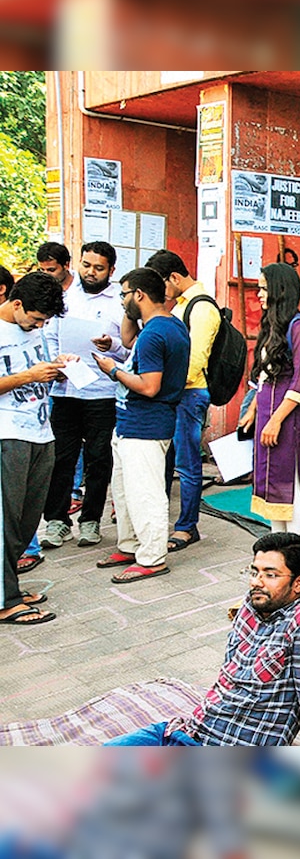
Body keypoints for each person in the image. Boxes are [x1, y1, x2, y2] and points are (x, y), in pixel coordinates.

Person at [106, 532, 300, 745]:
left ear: (298, 582)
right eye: (254, 572)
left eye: (270, 575)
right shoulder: (252, 604)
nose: (256, 581)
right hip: (185, 731)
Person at [93, 268, 190, 584]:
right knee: (124, 492)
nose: (121, 302)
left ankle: (151, 557)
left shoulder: (154, 334)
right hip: (130, 424)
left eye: (124, 295)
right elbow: (127, 339)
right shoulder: (168, 326)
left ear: (139, 295)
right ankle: (130, 545)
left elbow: (149, 386)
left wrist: (112, 370)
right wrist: (128, 314)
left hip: (145, 426)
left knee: (145, 494)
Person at [39, 242, 128, 552]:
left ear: (111, 270)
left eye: (98, 267)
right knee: (60, 458)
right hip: (65, 390)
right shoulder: (65, 298)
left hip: (103, 393)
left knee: (99, 459)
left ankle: (90, 520)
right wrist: (55, 363)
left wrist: (112, 345)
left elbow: (131, 348)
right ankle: (57, 521)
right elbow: (48, 334)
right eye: (87, 265)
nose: (91, 272)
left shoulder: (120, 302)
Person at [0, 272, 68, 625]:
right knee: (4, 521)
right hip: (7, 434)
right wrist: (28, 377)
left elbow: (36, 368)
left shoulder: (35, 329)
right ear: (16, 304)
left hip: (41, 431)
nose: (39, 325)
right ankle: (4, 600)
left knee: (28, 520)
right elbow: (20, 376)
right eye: (36, 318)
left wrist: (56, 370)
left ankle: (7, 585)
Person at [145, 249, 221, 553]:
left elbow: (193, 361)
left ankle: (187, 526)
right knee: (166, 461)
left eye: (160, 285)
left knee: (188, 465)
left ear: (174, 278)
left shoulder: (201, 308)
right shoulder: (180, 306)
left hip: (189, 393)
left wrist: (161, 385)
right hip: (175, 393)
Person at [237, 263, 300, 535]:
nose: (258, 294)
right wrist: (254, 410)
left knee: (288, 488)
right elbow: (266, 375)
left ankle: (293, 555)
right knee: (272, 490)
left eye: (264, 288)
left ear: (280, 290)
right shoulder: (273, 325)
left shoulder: (299, 326)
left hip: (287, 418)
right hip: (268, 414)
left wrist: (276, 421)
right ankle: (276, 550)